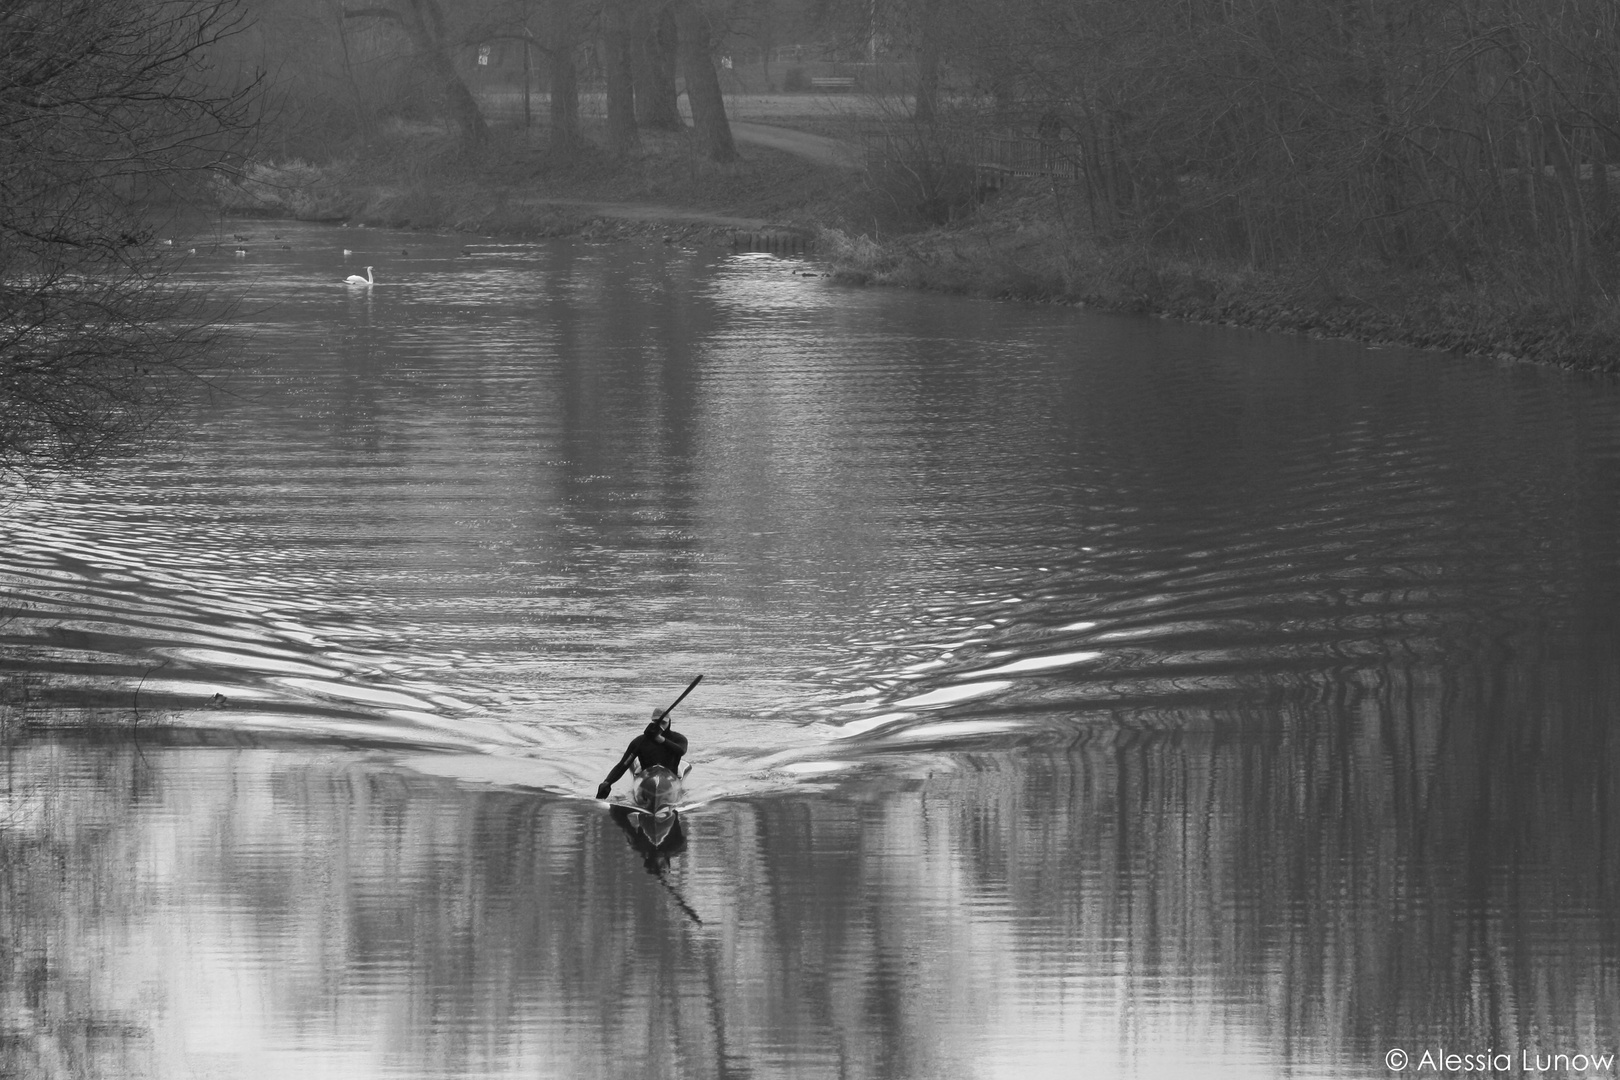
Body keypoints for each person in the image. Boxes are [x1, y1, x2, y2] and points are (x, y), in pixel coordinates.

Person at [596, 707, 688, 799]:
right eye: (656, 722)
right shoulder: (640, 741)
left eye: (663, 723)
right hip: (646, 778)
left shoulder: (679, 739)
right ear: (652, 722)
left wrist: (661, 739)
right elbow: (623, 764)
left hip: (670, 777)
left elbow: (681, 751)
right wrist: (607, 782)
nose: (659, 726)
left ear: (669, 722)